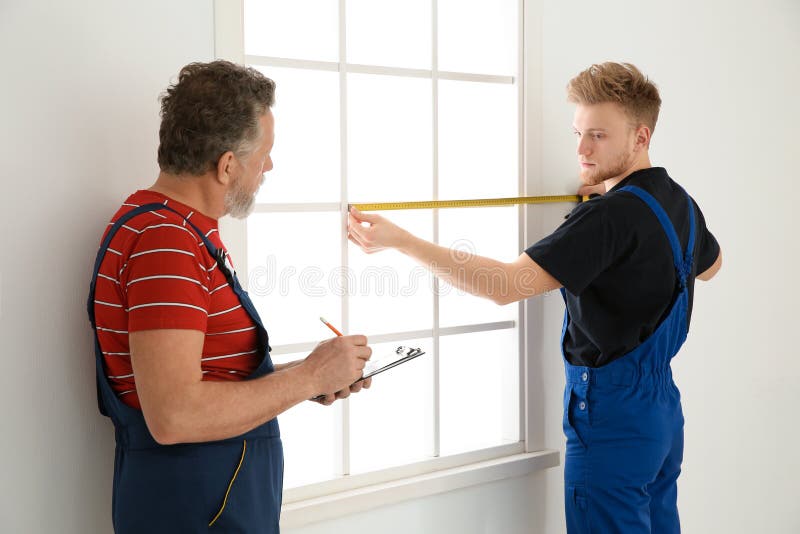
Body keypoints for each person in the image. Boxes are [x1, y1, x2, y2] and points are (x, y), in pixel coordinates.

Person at [348, 62, 721, 533]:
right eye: (578, 133)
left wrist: (402, 241)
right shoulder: (679, 202)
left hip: (612, 420)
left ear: (640, 136)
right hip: (661, 418)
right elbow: (711, 265)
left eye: (599, 136)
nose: (582, 149)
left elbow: (505, 285)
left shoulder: (609, 218)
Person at [87, 60, 372, 534]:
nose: (269, 166)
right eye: (265, 154)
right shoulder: (166, 243)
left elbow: (208, 378)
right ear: (226, 165)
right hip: (194, 513)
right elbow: (174, 415)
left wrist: (309, 376)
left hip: (206, 504)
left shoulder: (175, 230)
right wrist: (308, 377)